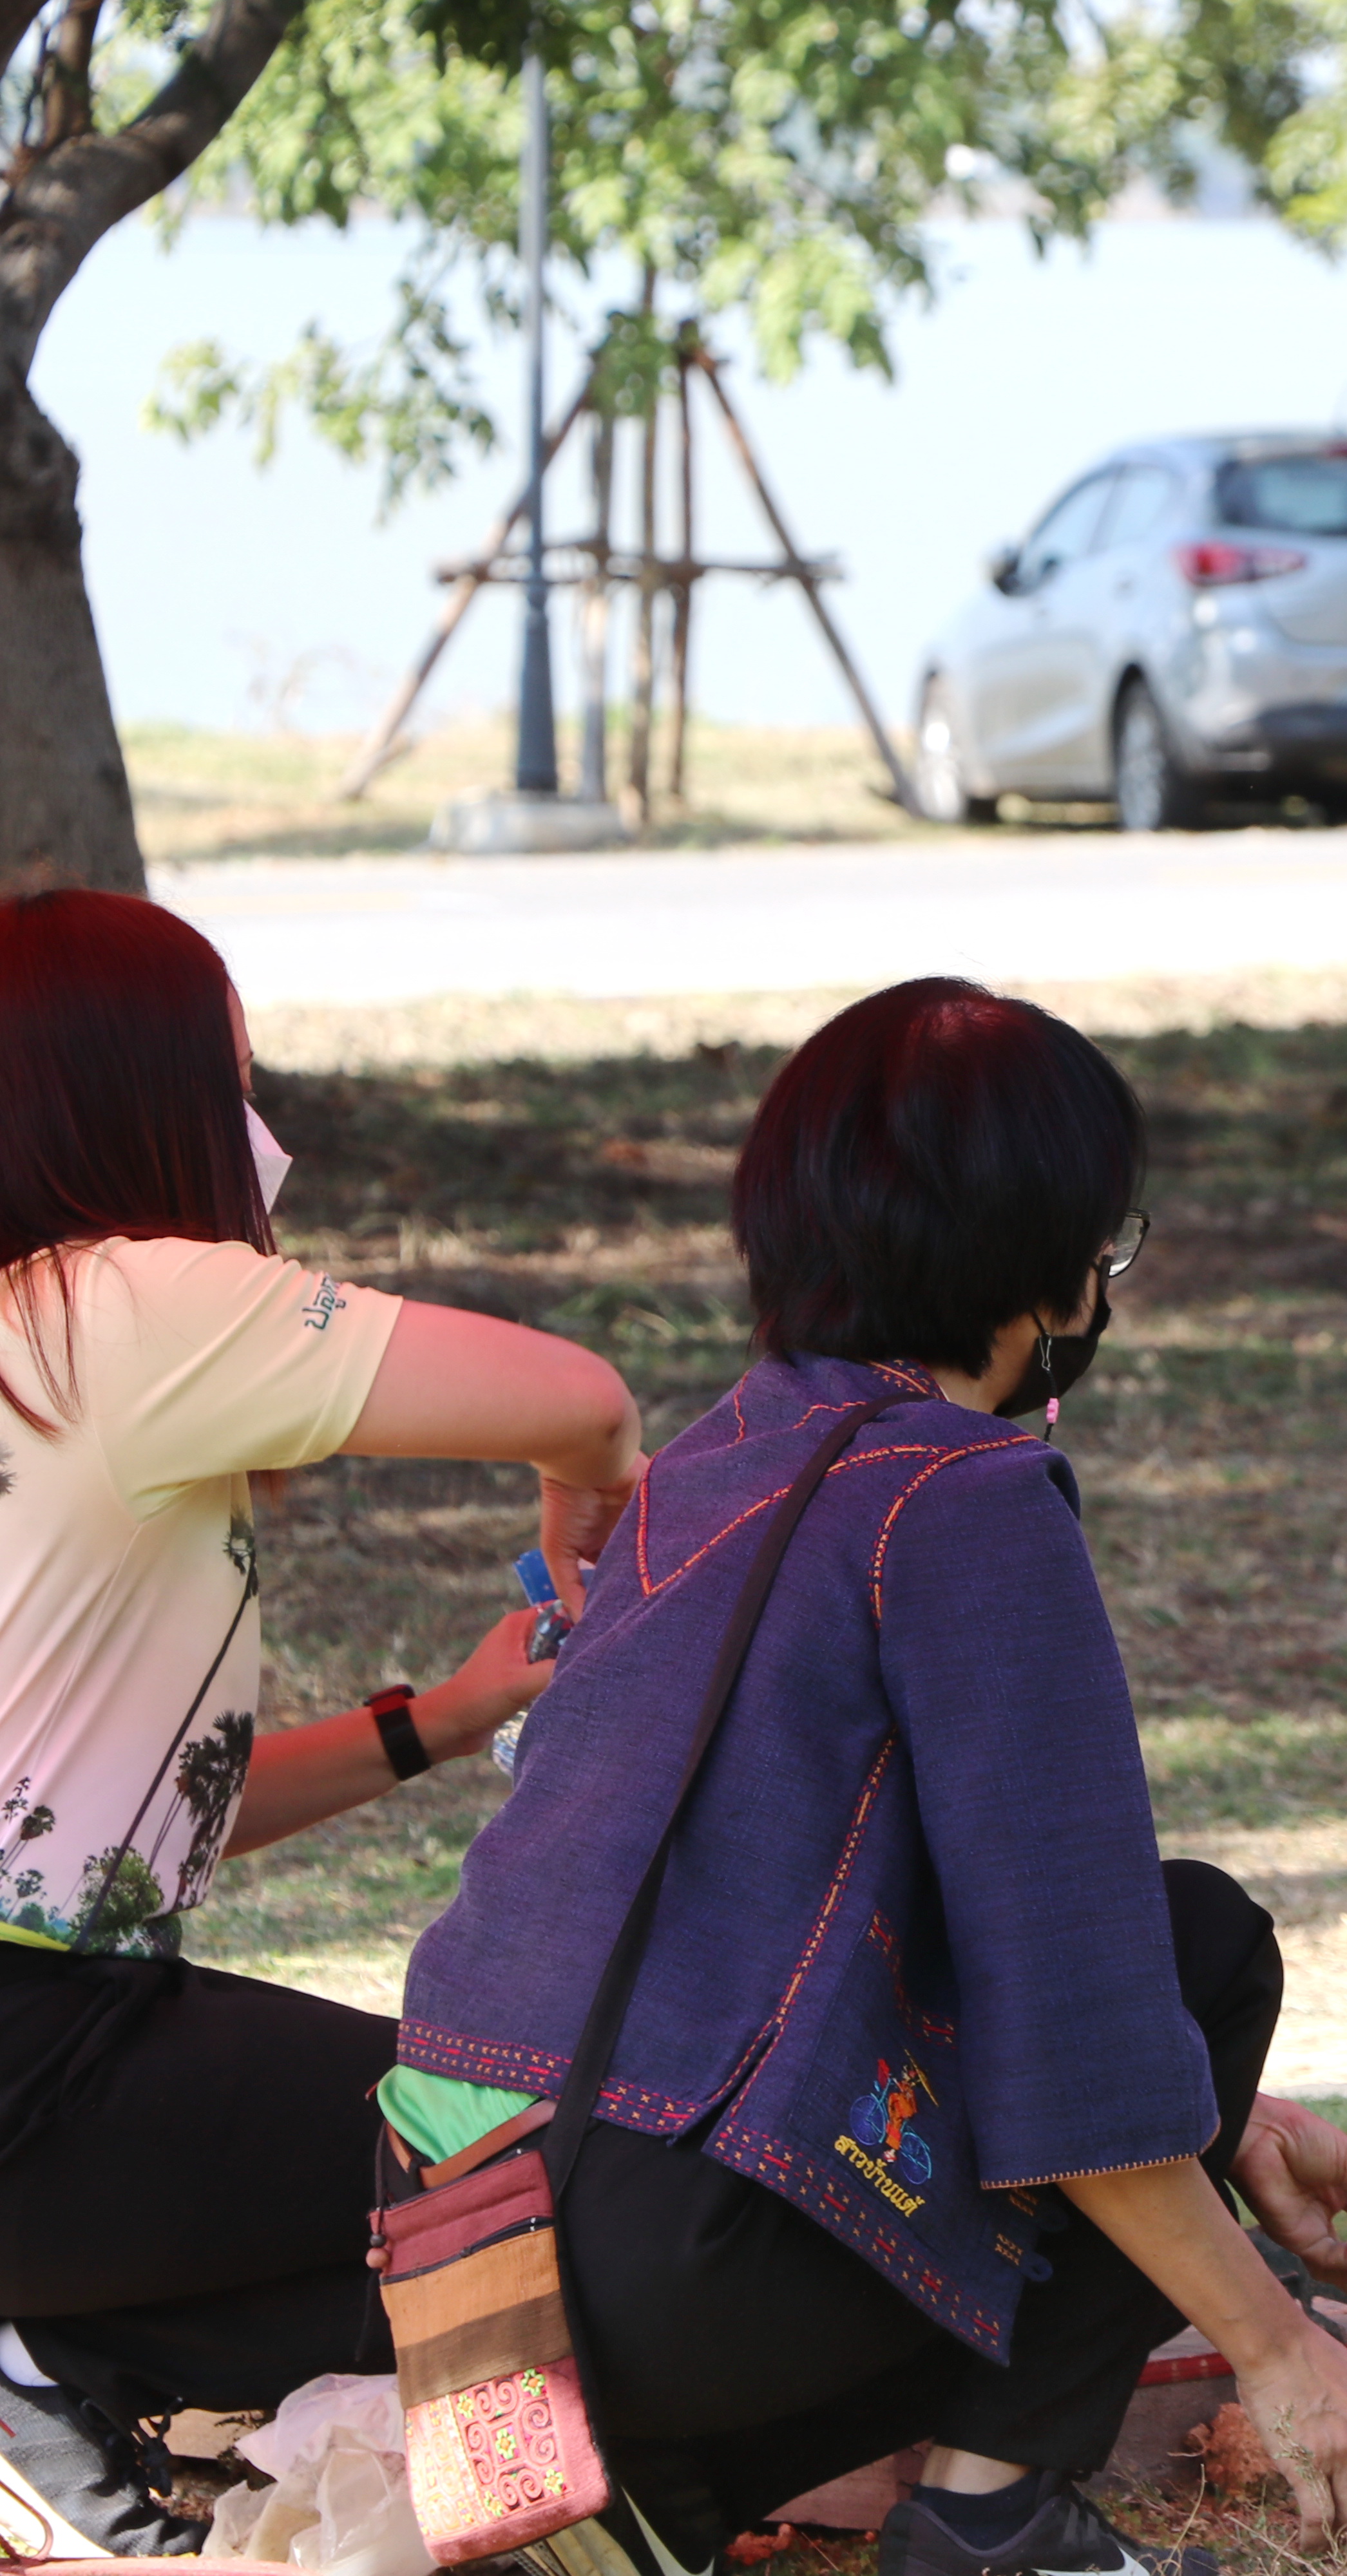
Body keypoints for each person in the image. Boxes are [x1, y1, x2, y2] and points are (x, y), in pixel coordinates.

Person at [391, 980, 1347, 2576]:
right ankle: (992, 2515)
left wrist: (1226, 2123)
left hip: (453, 2227)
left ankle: (640, 2487)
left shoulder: (709, 1454)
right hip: (682, 2258)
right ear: (1047, 1268)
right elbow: (1076, 2003)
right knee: (1197, 1947)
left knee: (1147, 2023)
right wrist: (1278, 2347)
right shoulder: (970, 1496)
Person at [0, 890, 644, 2555]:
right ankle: (524, 2515)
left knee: (417, 2172)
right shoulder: (125, 1309)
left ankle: (84, 2396)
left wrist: (436, 1722)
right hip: (44, 2067)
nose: (258, 1127)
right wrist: (591, 1494)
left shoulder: (24, 1347)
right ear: (131, 1097)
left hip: (63, 2038)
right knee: (509, 2138)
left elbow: (124, 1834)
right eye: (235, 1078)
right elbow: (580, 1395)